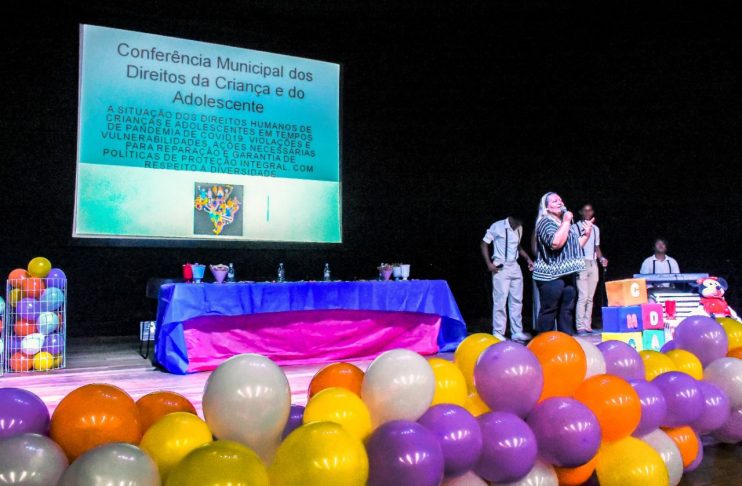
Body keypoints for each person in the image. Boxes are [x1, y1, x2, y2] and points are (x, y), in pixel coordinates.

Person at [532, 192, 593, 335]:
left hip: (566, 274)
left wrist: (587, 234)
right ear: (546, 208)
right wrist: (566, 221)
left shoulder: (563, 224)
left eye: (560, 200)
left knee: (566, 311)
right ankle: (543, 344)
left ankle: (565, 343)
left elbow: (574, 246)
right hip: (550, 276)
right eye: (554, 201)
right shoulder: (544, 222)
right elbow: (555, 243)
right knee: (549, 311)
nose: (560, 202)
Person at [480, 216, 535, 341]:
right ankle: (498, 331)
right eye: (517, 221)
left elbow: (518, 246)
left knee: (517, 300)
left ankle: (517, 331)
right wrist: (489, 263)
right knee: (500, 300)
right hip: (501, 265)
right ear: (511, 218)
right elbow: (484, 244)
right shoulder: (497, 226)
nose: (519, 224)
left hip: (515, 265)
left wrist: (528, 259)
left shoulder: (519, 228)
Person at [575, 204, 608, 335]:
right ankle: (580, 326)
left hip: (593, 262)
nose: (588, 212)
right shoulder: (575, 227)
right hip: (581, 261)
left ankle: (587, 325)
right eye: (585, 210)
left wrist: (602, 259)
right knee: (582, 296)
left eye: (590, 210)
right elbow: (574, 246)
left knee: (590, 296)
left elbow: (596, 247)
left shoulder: (595, 229)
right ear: (581, 212)